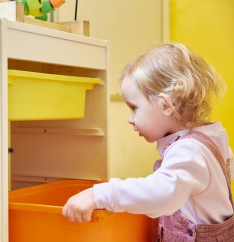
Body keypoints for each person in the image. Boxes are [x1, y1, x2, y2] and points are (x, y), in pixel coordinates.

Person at [62, 42, 234, 241]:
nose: (130, 118)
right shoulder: (213, 138)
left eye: (134, 107)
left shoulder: (188, 151)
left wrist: (101, 194)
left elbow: (163, 194)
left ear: (166, 105)